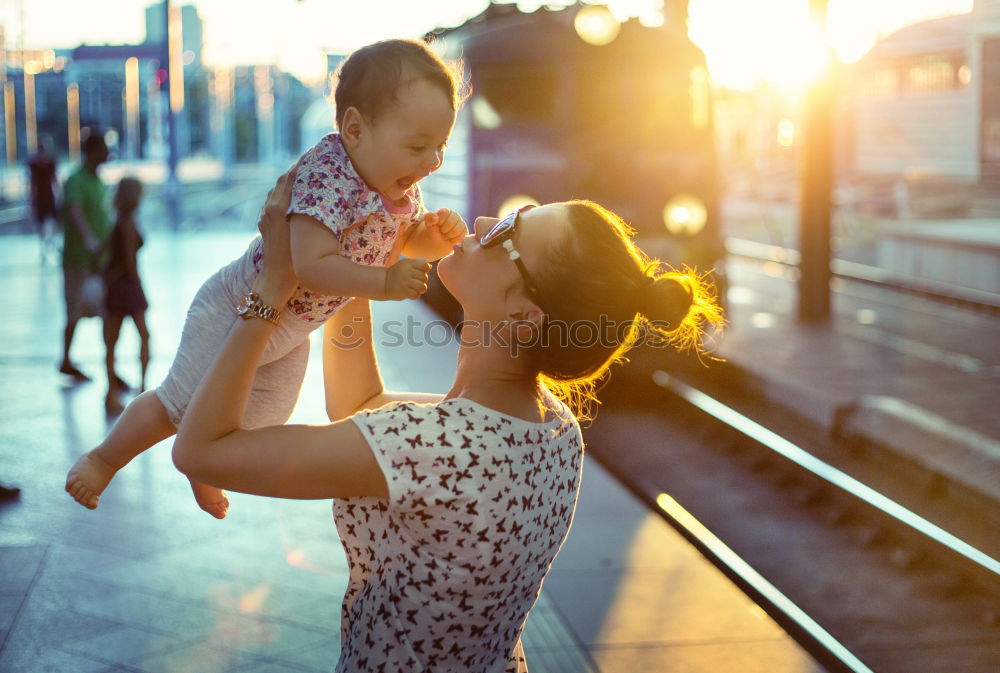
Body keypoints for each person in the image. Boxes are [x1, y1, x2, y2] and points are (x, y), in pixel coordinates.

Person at [166, 162, 722, 672]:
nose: (482, 220)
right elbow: (359, 406)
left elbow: (200, 452)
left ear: (523, 314)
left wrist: (272, 288)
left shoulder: (426, 446)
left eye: (508, 231)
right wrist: (358, 264)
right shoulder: (551, 429)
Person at [65, 38, 468, 517]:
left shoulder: (396, 183)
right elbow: (309, 264)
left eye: (440, 147)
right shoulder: (328, 175)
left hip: (292, 329)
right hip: (240, 304)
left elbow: (401, 240)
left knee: (253, 428)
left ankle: (207, 461)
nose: (431, 162)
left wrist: (433, 239)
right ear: (356, 128)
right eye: (418, 146)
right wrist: (383, 285)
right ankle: (103, 459)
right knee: (177, 403)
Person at [58, 133, 111, 382]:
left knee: (106, 312)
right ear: (91, 151)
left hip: (100, 261)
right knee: (74, 310)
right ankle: (66, 359)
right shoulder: (75, 180)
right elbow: (75, 212)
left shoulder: (97, 181)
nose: (107, 154)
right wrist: (90, 241)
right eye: (102, 149)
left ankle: (108, 366)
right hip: (79, 259)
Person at [102, 177, 151, 415]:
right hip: (128, 287)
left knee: (111, 342)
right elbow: (131, 264)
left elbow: (103, 251)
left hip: (113, 287)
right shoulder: (129, 223)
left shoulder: (117, 221)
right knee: (144, 335)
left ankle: (110, 393)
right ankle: (142, 389)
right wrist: (140, 287)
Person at [28, 139, 60, 264]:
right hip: (41, 198)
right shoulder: (34, 165)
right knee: (41, 225)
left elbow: (55, 181)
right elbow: (32, 183)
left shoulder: (51, 163)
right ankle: (44, 249)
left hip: (49, 197)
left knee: (54, 224)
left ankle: (51, 243)